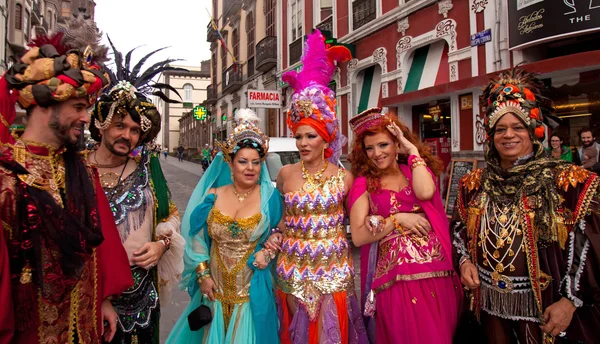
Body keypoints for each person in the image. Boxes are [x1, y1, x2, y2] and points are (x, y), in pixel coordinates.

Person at [0, 15, 133, 343]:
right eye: (78, 106)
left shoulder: (84, 173)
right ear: (46, 105)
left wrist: (103, 299)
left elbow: (96, 248)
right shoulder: (6, 181)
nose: (87, 118)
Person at [452, 68, 600, 343]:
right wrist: (464, 261)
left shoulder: (569, 183)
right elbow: (459, 228)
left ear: (534, 132)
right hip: (489, 309)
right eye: (500, 129)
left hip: (547, 310)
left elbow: (588, 245)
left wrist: (570, 301)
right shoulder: (473, 184)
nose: (509, 135)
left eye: (518, 127)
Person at [264, 30, 368, 343]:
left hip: (333, 271)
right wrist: (275, 236)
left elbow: (358, 225)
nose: (303, 143)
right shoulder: (284, 174)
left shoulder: (345, 177)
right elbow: (279, 221)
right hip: (292, 269)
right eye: (299, 136)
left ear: (326, 138)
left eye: (311, 136)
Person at [88, 43, 186, 344]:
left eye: (133, 130)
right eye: (119, 125)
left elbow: (170, 214)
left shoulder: (148, 168)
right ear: (102, 124)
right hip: (90, 297)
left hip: (142, 296)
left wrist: (161, 244)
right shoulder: (78, 169)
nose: (126, 135)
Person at [347, 108, 463, 344]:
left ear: (396, 144)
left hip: (437, 272)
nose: (377, 154)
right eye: (370, 148)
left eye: (383, 145)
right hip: (396, 277)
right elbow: (358, 236)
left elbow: (425, 192)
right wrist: (398, 219)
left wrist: (411, 150)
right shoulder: (364, 184)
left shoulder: (414, 170)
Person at [166, 109, 282, 343]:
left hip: (251, 296)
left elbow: (282, 232)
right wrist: (202, 275)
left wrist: (269, 250)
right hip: (214, 293)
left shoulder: (270, 198)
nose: (250, 168)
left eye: (256, 162)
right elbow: (196, 238)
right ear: (230, 163)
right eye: (243, 161)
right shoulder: (212, 195)